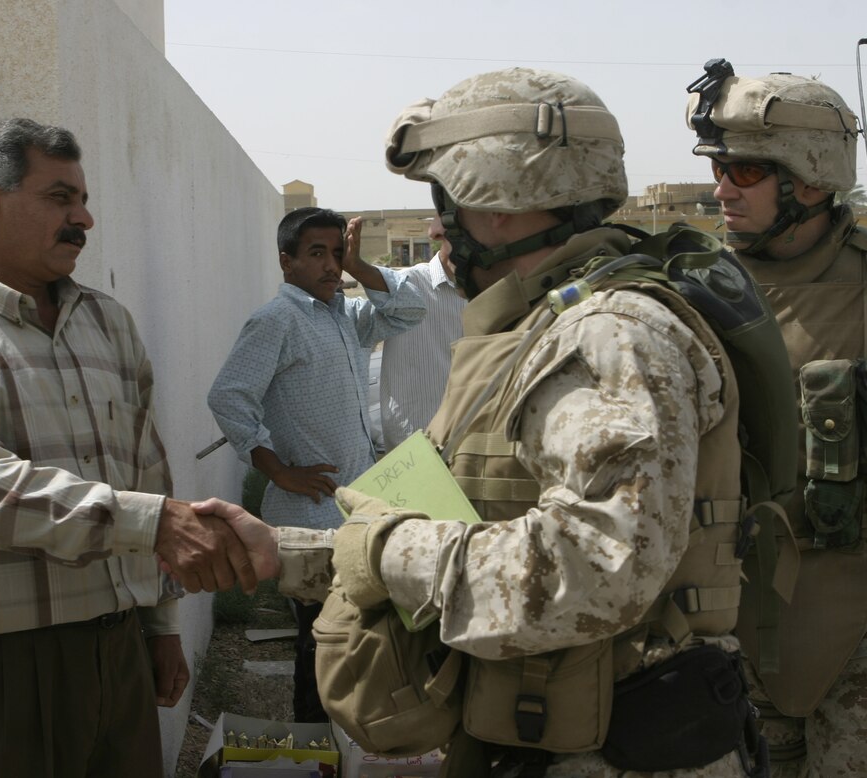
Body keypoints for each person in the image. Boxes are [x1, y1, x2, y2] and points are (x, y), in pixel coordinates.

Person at [199, 67, 777, 777]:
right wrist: (281, 554)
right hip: (548, 735)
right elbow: (474, 533)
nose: (444, 224)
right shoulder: (545, 329)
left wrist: (380, 552)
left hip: (622, 747)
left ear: (497, 205)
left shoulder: (609, 336)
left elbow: (596, 569)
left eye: (449, 201)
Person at [0, 118, 257, 778]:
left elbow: (148, 473)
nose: (83, 218)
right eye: (60, 198)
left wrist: (160, 625)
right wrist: (153, 525)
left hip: (114, 654)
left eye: (84, 201)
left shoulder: (106, 322)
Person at [686, 62, 867, 776]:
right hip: (721, 638)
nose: (722, 187)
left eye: (747, 170)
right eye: (720, 167)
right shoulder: (689, 299)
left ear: (810, 180)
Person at [207, 206, 424, 721]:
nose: (331, 266)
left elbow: (410, 310)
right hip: (309, 516)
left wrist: (362, 267)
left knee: (355, 640)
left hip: (353, 510)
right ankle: (315, 750)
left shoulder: (343, 315)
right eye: (317, 254)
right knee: (320, 645)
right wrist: (276, 469)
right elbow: (229, 396)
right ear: (287, 262)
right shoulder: (276, 320)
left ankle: (348, 745)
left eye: (336, 253)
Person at [379, 217, 466, 450]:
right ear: (440, 237)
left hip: (465, 437)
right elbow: (374, 282)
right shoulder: (410, 282)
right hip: (414, 439)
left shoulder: (485, 291)